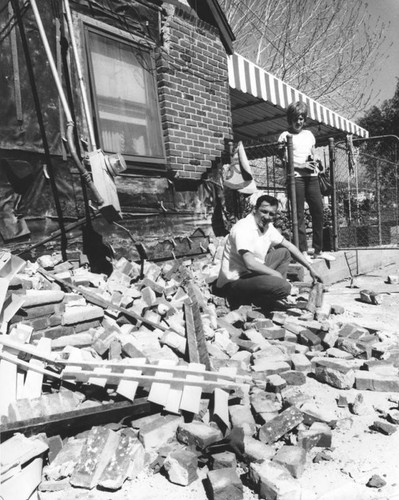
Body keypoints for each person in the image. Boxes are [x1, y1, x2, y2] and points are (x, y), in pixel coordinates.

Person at [216, 194, 323, 310]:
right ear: (255, 210)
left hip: (251, 275)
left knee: (284, 253)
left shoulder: (267, 227)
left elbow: (288, 246)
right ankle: (261, 299)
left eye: (271, 214)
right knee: (284, 287)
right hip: (234, 282)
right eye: (264, 211)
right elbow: (250, 264)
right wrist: (276, 275)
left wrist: (310, 267)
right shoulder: (243, 228)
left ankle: (269, 296)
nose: (267, 217)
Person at [278, 101, 335, 262]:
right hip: (296, 179)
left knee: (318, 211)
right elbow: (284, 160)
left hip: (312, 177)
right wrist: (300, 165)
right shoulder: (284, 136)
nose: (299, 122)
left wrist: (316, 160)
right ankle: (302, 251)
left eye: (302, 118)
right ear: (290, 119)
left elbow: (312, 152)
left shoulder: (309, 135)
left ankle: (318, 250)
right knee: (299, 215)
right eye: (296, 118)